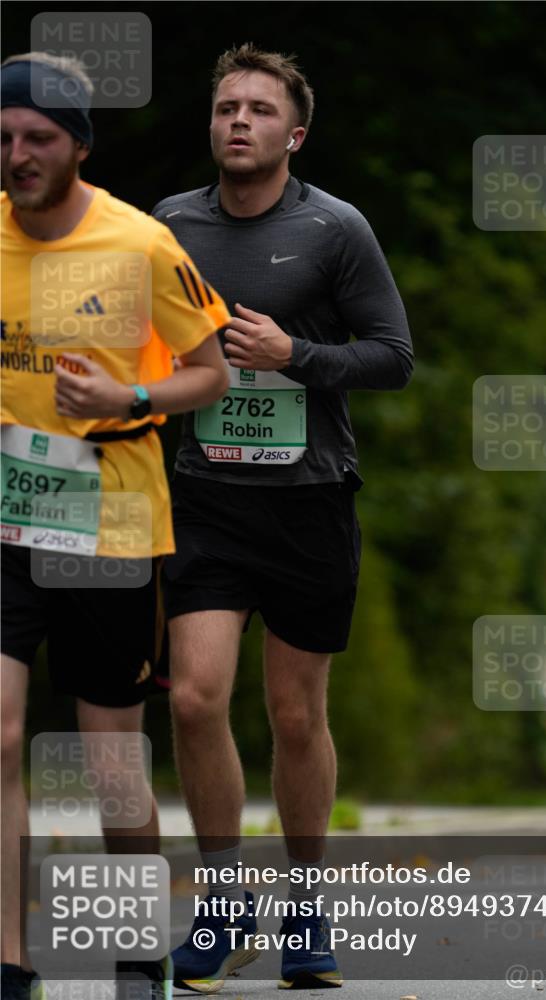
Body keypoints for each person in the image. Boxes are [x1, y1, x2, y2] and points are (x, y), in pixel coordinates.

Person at [152, 43, 413, 991]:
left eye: (259, 110)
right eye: (225, 107)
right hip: (205, 499)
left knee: (297, 716)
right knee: (193, 697)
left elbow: (392, 356)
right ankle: (222, 909)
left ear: (293, 134)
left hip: (309, 504)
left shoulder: (336, 229)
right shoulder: (167, 226)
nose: (238, 121)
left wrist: (293, 351)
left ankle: (306, 913)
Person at [1, 52, 229, 1000]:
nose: (17, 154)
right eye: (5, 138)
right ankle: (11, 962)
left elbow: (209, 371)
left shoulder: (140, 245)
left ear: (79, 146)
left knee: (108, 761)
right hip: (7, 526)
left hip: (111, 528)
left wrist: (128, 390)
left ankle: (137, 950)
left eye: (38, 138)